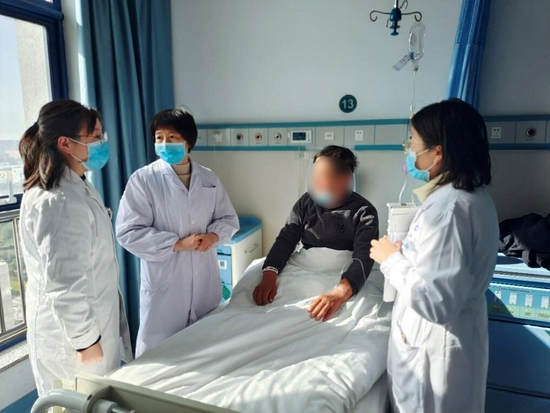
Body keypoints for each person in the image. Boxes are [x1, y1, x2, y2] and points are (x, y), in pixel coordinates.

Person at [370, 98, 498, 413]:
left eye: (412, 142)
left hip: (434, 353)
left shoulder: (449, 209)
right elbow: (446, 265)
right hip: (450, 340)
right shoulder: (472, 196)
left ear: (437, 152)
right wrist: (409, 253)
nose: (410, 151)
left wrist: (390, 259)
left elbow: (436, 301)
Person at [19, 99, 130, 395]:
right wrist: (86, 342)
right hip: (75, 343)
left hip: (88, 329)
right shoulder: (60, 201)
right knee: (75, 403)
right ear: (65, 143)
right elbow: (64, 285)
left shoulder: (75, 186)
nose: (102, 143)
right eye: (95, 137)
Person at [116, 108, 239, 357]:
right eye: (159, 137)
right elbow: (128, 231)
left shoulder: (209, 178)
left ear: (188, 141)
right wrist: (176, 244)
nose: (164, 143)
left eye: (172, 137)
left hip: (204, 282)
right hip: (165, 284)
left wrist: (214, 236)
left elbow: (228, 218)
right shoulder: (144, 180)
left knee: (206, 350)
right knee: (160, 356)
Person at [253, 145, 379, 321]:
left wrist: (340, 293)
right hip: (304, 266)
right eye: (314, 174)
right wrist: (269, 274)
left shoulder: (364, 212)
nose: (316, 182)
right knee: (253, 285)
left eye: (323, 175)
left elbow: (363, 257)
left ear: (344, 179)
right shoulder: (306, 203)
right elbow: (286, 239)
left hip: (343, 273)